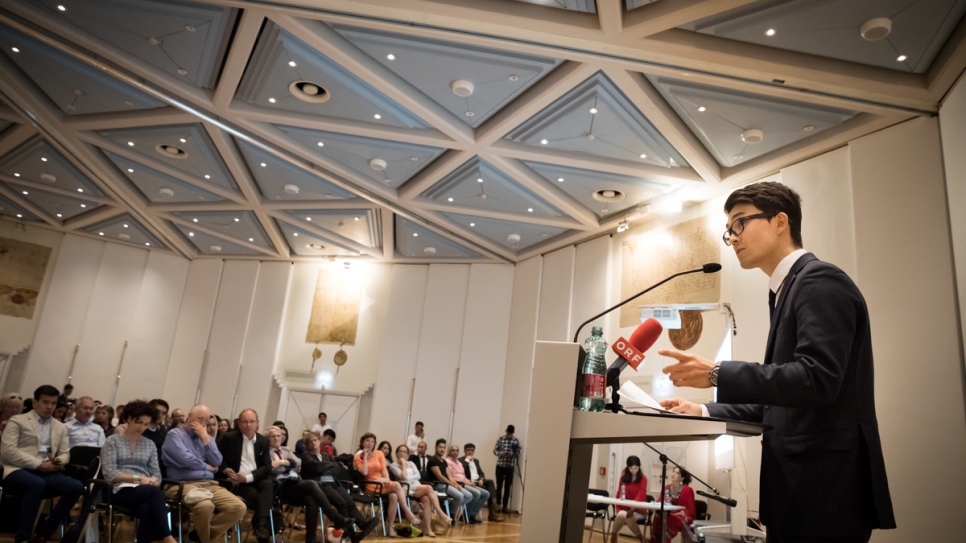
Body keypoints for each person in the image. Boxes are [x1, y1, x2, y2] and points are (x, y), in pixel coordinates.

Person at [659, 182, 896, 543]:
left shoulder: (819, 281)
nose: (732, 237)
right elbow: (780, 405)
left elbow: (816, 379)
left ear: (780, 221)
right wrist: (703, 411)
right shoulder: (788, 289)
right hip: (800, 488)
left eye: (740, 223)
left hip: (826, 489)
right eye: (729, 230)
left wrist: (717, 372)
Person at [0, 384, 83, 543]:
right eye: (45, 402)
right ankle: (23, 538)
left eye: (53, 403)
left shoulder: (60, 426)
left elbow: (66, 452)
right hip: (16, 468)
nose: (50, 407)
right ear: (34, 402)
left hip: (46, 470)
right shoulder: (18, 421)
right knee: (36, 484)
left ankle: (44, 533)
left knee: (76, 487)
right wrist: (39, 464)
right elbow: (8, 451)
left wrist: (60, 460)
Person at [162, 404, 246, 543]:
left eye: (206, 421)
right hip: (181, 484)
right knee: (205, 506)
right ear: (189, 416)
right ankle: (204, 540)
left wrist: (206, 439)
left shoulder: (206, 438)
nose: (203, 423)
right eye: (200, 419)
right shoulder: (175, 434)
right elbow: (185, 459)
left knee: (238, 507)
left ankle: (197, 538)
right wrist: (206, 466)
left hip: (208, 484)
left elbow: (217, 461)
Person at [99, 400, 177, 543]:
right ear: (128, 418)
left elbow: (157, 475)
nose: (142, 427)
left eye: (146, 424)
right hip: (119, 489)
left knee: (146, 509)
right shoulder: (113, 441)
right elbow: (110, 474)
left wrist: (151, 481)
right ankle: (167, 537)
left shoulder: (150, 444)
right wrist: (139, 479)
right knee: (155, 493)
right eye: (138, 422)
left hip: (145, 490)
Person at [299, 431, 379, 542]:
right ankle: (351, 533)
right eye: (310, 441)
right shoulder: (306, 455)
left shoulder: (326, 455)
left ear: (319, 440)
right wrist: (329, 466)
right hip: (321, 485)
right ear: (307, 444)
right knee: (340, 502)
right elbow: (316, 467)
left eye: (315, 440)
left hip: (334, 482)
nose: (313, 442)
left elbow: (337, 469)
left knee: (349, 502)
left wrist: (327, 467)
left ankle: (363, 524)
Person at [217, 408, 274, 542]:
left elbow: (267, 467)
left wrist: (248, 477)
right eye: (245, 422)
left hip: (256, 478)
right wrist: (226, 470)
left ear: (257, 423)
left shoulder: (263, 441)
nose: (249, 425)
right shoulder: (229, 438)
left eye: (252, 421)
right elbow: (218, 459)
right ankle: (263, 528)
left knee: (268, 484)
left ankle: (261, 527)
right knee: (260, 500)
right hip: (237, 481)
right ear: (239, 424)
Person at [354, 432, 420, 536]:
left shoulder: (379, 453)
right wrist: (365, 457)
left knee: (393, 496)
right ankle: (408, 512)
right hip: (371, 485)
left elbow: (384, 470)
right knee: (397, 485)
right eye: (367, 441)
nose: (369, 443)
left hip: (382, 482)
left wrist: (386, 479)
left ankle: (390, 528)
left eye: (372, 441)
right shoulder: (358, 457)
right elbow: (365, 472)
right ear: (362, 442)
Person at [389, 444, 452, 537]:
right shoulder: (393, 465)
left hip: (416, 486)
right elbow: (402, 476)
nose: (402, 453)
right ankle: (440, 513)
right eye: (400, 451)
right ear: (397, 454)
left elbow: (418, 476)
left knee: (426, 499)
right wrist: (403, 464)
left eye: (405, 452)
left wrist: (408, 477)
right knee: (429, 488)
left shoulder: (411, 463)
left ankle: (428, 529)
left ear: (408, 454)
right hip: (404, 488)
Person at [426, 438, 469, 523]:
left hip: (446, 484)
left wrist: (455, 484)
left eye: (443, 447)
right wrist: (452, 485)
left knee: (468, 496)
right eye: (440, 447)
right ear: (435, 448)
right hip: (438, 485)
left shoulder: (444, 461)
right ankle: (451, 514)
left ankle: (447, 509)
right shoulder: (432, 460)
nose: (442, 449)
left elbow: (448, 476)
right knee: (460, 496)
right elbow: (439, 476)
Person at [648, 467, 695, 543]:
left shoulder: (688, 490)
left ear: (682, 478)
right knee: (658, 517)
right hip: (667, 514)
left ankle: (664, 540)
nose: (673, 474)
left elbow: (690, 509)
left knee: (668, 519)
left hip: (680, 516)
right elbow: (660, 501)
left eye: (677, 473)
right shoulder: (666, 488)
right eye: (673, 472)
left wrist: (679, 513)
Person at [460, 443, 504, 522]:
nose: (470, 452)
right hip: (469, 482)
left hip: (478, 481)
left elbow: (481, 472)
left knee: (490, 482)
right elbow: (460, 471)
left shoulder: (476, 461)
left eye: (472, 450)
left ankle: (494, 503)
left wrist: (482, 478)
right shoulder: (461, 460)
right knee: (487, 492)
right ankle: (490, 513)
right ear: (464, 451)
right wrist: (467, 460)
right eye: (468, 450)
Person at [610, 456, 648, 543]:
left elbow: (641, 493)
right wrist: (620, 507)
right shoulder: (623, 478)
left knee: (624, 515)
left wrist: (633, 508)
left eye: (636, 468)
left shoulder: (643, 478)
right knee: (622, 514)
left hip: (638, 509)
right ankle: (641, 539)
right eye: (631, 468)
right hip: (625, 508)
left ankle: (613, 536)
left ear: (639, 467)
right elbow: (619, 493)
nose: (634, 470)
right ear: (628, 467)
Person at [446, 444, 489, 523]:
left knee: (486, 493)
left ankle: (472, 515)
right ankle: (460, 513)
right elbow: (449, 476)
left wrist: (470, 483)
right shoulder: (448, 461)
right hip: (456, 483)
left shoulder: (459, 462)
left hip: (465, 483)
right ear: (449, 452)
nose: (455, 452)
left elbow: (463, 476)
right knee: (476, 494)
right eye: (453, 450)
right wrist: (456, 484)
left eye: (457, 450)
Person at [492, 425, 520, 514]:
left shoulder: (515, 441)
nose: (509, 435)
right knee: (499, 486)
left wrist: (513, 453)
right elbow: (495, 451)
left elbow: (518, 452)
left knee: (508, 487)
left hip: (510, 466)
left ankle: (505, 507)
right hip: (500, 465)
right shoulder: (500, 439)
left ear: (513, 433)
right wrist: (501, 454)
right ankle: (498, 505)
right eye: (508, 433)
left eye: (511, 434)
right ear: (506, 431)